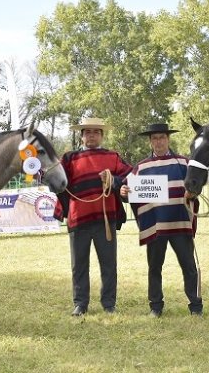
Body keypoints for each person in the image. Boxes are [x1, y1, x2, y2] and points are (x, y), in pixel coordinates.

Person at [120, 123, 203, 317]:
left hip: (180, 224)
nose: (159, 141)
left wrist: (193, 193)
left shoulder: (184, 163)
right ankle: (155, 306)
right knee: (154, 268)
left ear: (168, 139)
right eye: (155, 138)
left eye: (162, 137)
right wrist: (123, 192)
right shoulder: (141, 167)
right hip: (155, 226)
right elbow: (127, 192)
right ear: (150, 141)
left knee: (189, 267)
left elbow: (196, 186)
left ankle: (196, 306)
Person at [54, 117, 133, 316]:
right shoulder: (69, 158)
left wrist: (113, 180)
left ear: (102, 136)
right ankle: (80, 303)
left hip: (105, 220)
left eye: (96, 132)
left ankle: (109, 304)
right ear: (81, 136)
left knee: (109, 264)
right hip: (78, 219)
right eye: (87, 132)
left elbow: (130, 177)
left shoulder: (113, 157)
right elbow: (57, 181)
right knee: (78, 264)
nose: (91, 135)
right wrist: (40, 172)